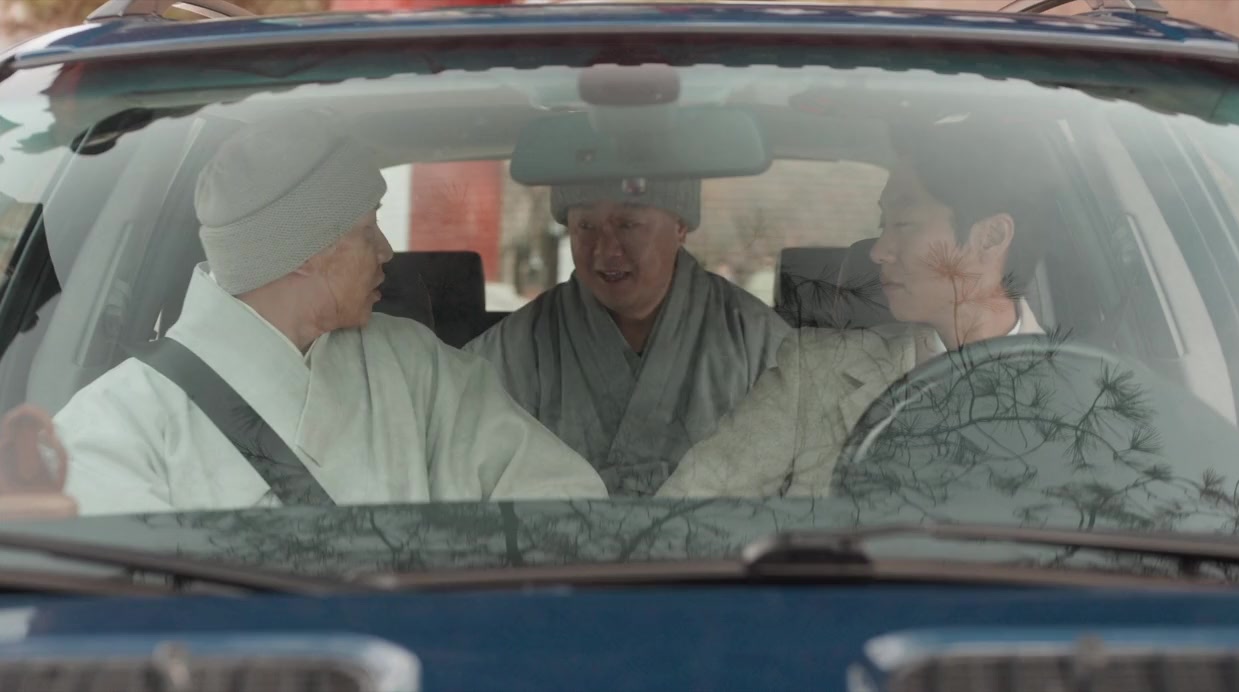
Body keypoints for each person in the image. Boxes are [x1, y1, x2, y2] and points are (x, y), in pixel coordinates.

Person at [54, 114, 606, 515]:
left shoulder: (414, 364)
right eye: (367, 230)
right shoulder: (114, 428)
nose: (387, 251)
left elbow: (563, 498)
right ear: (303, 254)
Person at [657, 117, 1054, 498]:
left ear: (991, 236)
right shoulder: (817, 375)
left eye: (904, 224)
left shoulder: (1076, 392)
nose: (878, 251)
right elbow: (688, 506)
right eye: (884, 225)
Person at [465, 179, 791, 495]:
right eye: (586, 227)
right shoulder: (517, 347)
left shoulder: (756, 341)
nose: (604, 250)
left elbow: (806, 483)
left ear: (679, 226)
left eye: (628, 225)